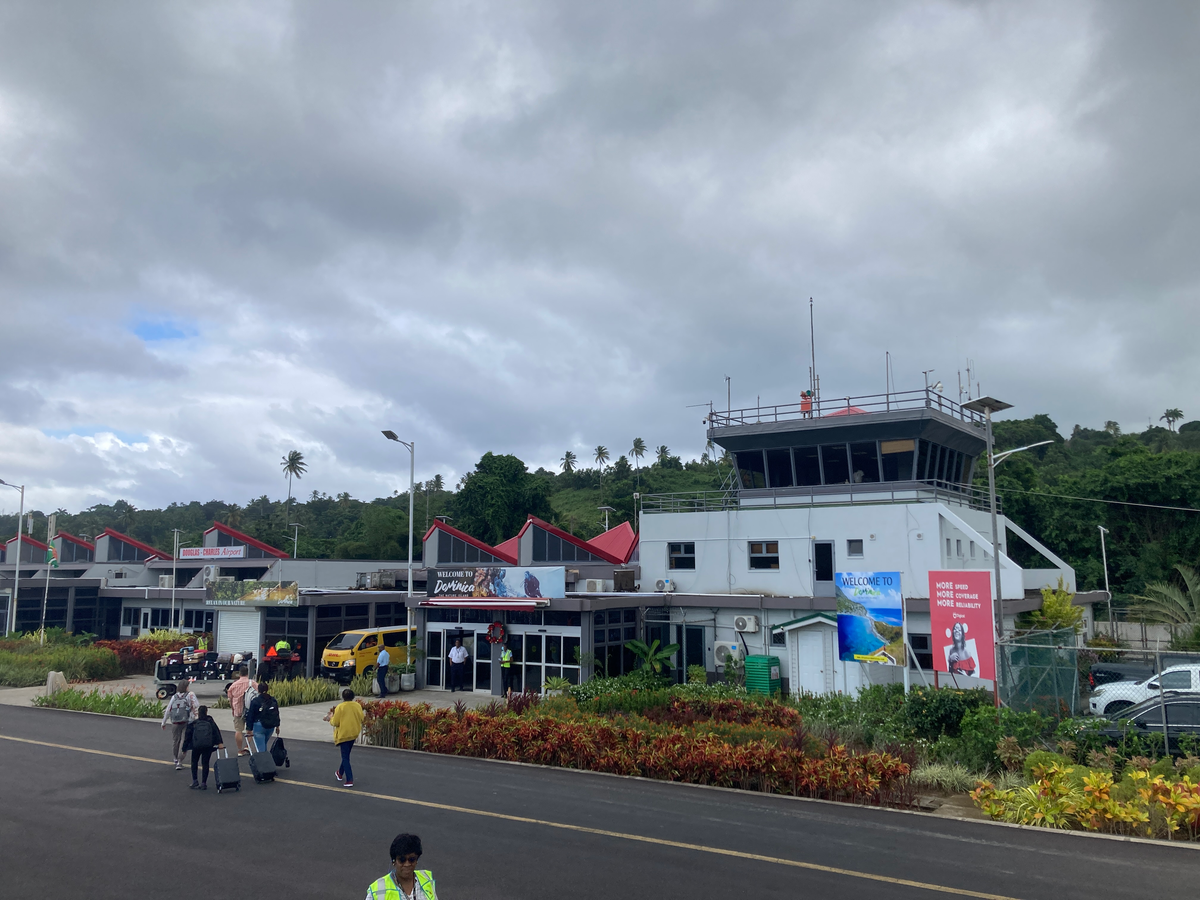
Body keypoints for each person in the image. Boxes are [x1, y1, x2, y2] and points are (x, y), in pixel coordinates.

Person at [366, 833, 438, 900]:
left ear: (417, 860)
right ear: (394, 861)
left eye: (411, 859)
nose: (407, 864)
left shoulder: (426, 879)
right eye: (402, 860)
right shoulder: (378, 889)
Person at [324, 688, 365, 788]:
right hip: (353, 733)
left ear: (343, 697)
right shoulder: (357, 706)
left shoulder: (340, 707)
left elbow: (335, 722)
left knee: (345, 757)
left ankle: (349, 779)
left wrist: (330, 718)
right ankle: (339, 773)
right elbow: (362, 718)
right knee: (346, 755)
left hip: (343, 735)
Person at [160, 679, 198, 770]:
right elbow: (196, 706)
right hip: (186, 721)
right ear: (186, 687)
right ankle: (180, 761)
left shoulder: (174, 697)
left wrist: (163, 722)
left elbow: (168, 709)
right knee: (183, 741)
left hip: (175, 721)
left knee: (175, 741)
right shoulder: (189, 695)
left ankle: (175, 758)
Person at [185, 705, 225, 790]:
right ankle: (204, 783)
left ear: (198, 713)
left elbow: (188, 735)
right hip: (208, 746)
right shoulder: (210, 721)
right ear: (206, 712)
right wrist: (220, 743)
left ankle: (195, 781)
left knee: (194, 762)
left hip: (196, 746)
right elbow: (216, 732)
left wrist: (184, 748)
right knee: (205, 763)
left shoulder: (195, 723)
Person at [245, 681, 281, 752]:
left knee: (260, 748)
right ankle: (266, 760)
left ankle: (264, 761)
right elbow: (276, 713)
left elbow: (251, 715)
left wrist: (249, 728)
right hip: (271, 726)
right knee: (264, 744)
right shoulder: (273, 700)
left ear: (258, 690)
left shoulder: (255, 701)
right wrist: (277, 726)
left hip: (259, 725)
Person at [226, 666, 253, 755]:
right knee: (250, 730)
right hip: (250, 711)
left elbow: (230, 699)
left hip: (238, 710)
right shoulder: (252, 683)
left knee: (238, 730)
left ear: (240, 674)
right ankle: (247, 746)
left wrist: (233, 709)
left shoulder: (233, 685)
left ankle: (239, 750)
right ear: (247, 673)